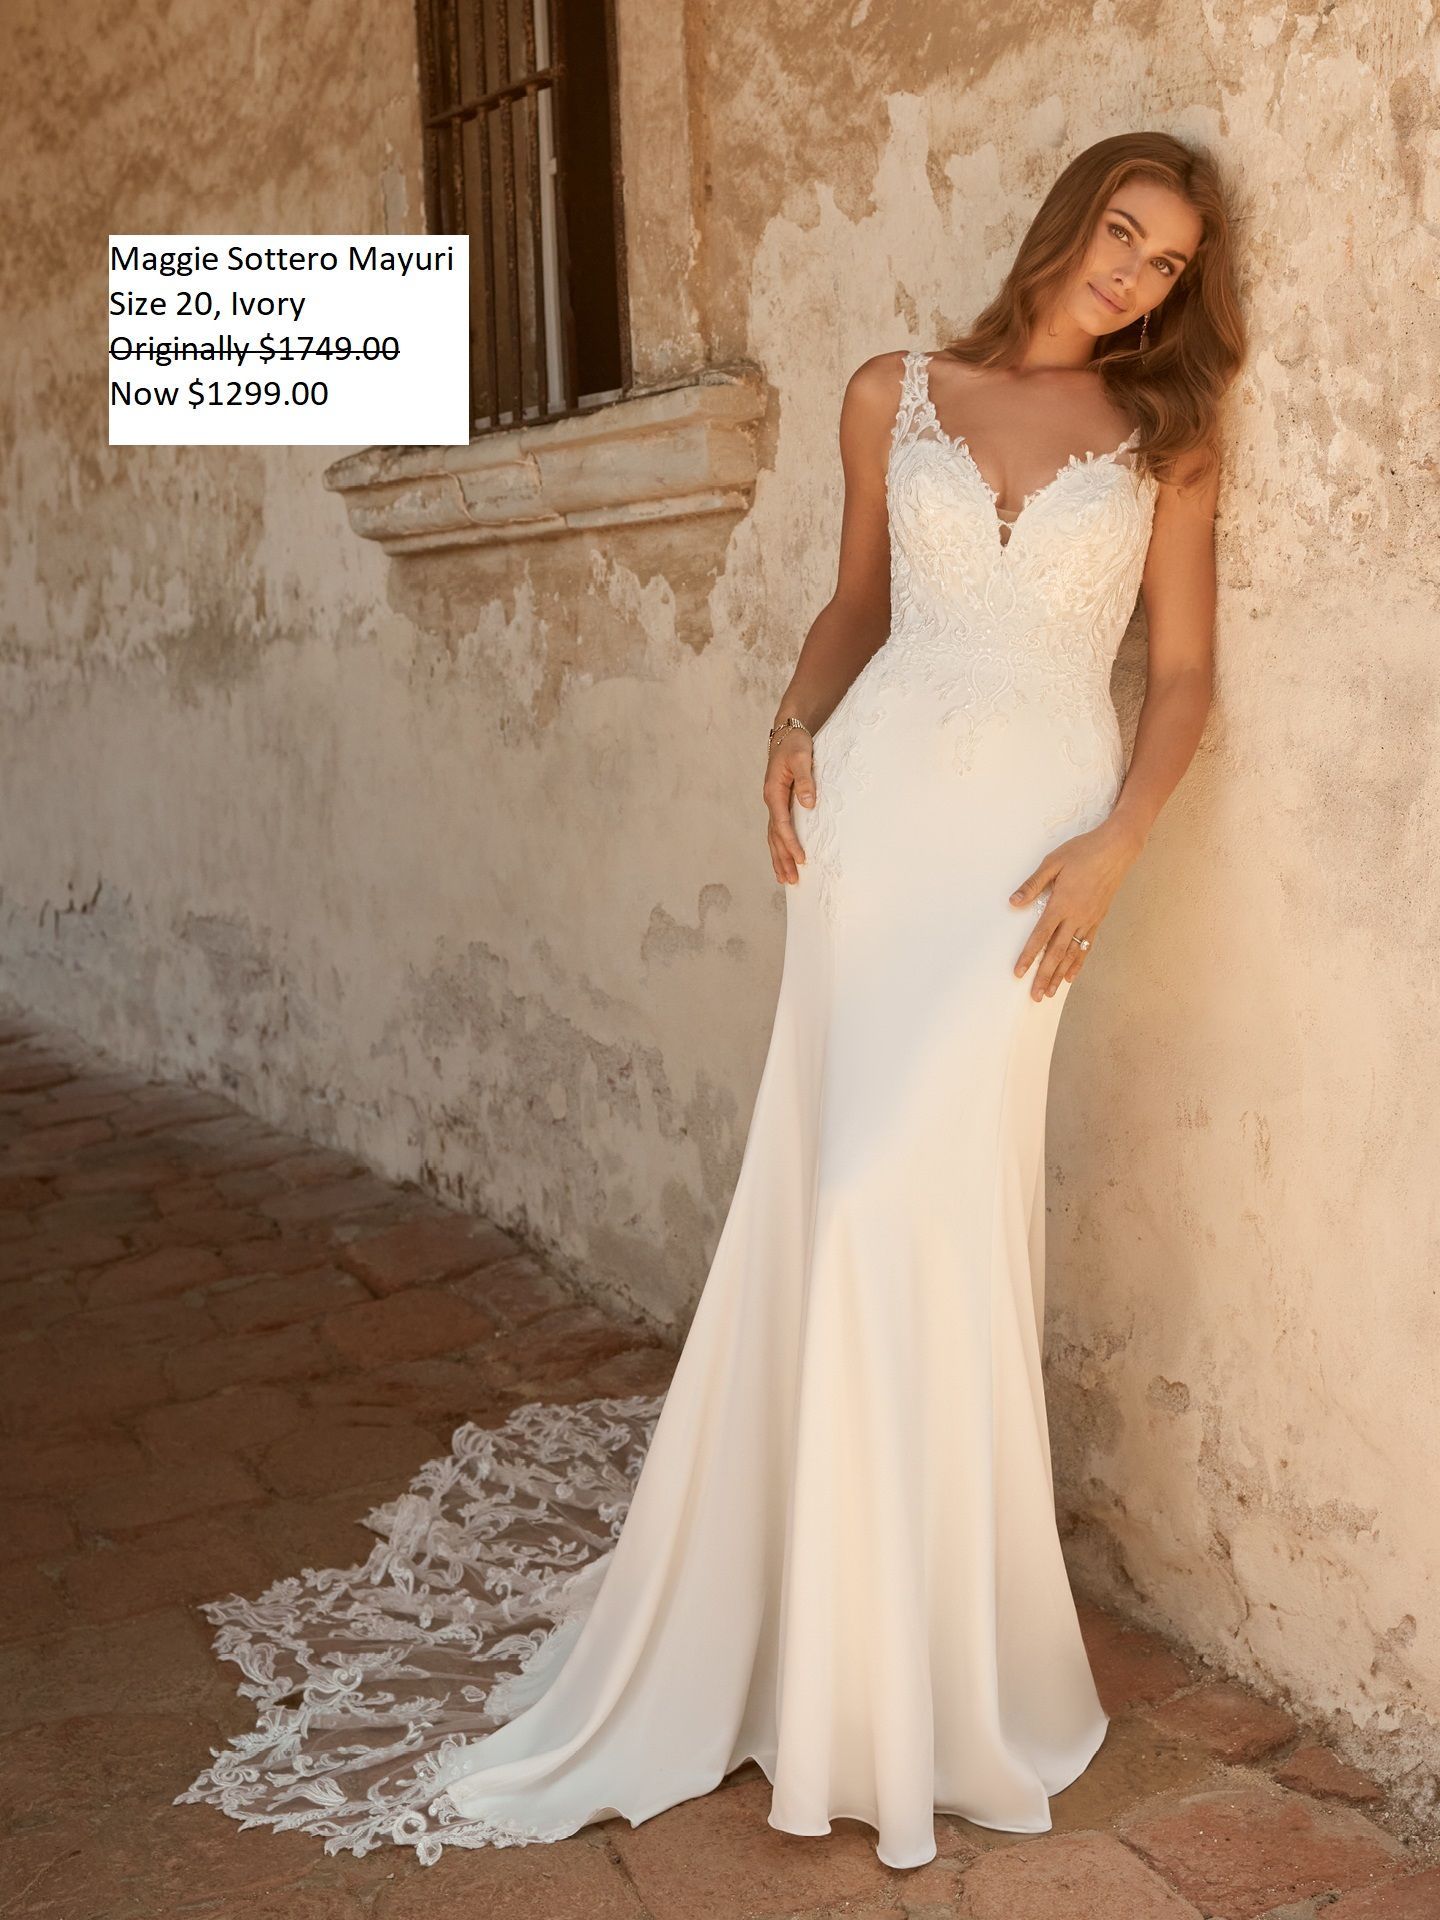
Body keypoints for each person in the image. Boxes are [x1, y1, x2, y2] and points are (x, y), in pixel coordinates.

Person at [177, 129, 1245, 1872]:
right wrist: (787, 723)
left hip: (1033, 851)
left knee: (900, 1207)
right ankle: (810, 1647)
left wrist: (1123, 843)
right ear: (1067, 222)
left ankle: (921, 1676)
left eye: (1169, 266)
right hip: (876, 827)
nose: (1135, 277)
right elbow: (854, 612)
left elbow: (1186, 678)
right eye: (1123, 236)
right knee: (830, 1205)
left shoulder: (1166, 442)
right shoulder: (893, 390)